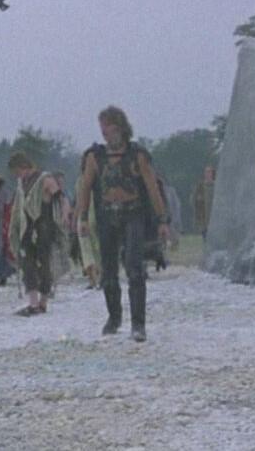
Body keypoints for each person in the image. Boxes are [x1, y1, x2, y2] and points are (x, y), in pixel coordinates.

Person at [76, 106, 170, 342]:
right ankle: (114, 317)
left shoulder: (137, 156)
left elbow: (152, 188)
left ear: (119, 128)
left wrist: (162, 220)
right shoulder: (95, 157)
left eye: (108, 128)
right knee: (109, 271)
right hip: (107, 215)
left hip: (133, 214)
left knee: (134, 268)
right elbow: (85, 188)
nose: (105, 134)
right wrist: (83, 217)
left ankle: (138, 324)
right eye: (103, 129)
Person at [7, 152, 63, 316]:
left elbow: (59, 198)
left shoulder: (45, 179)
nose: (17, 175)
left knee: (44, 263)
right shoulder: (22, 183)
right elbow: (19, 205)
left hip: (44, 226)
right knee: (27, 263)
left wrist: (64, 216)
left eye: (18, 171)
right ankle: (33, 303)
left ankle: (43, 302)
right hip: (27, 227)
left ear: (24, 166)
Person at [193, 164, 216, 238]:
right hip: (203, 218)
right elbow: (194, 200)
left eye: (209, 172)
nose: (207, 174)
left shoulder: (216, 186)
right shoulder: (200, 186)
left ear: (212, 173)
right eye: (206, 172)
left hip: (214, 216)